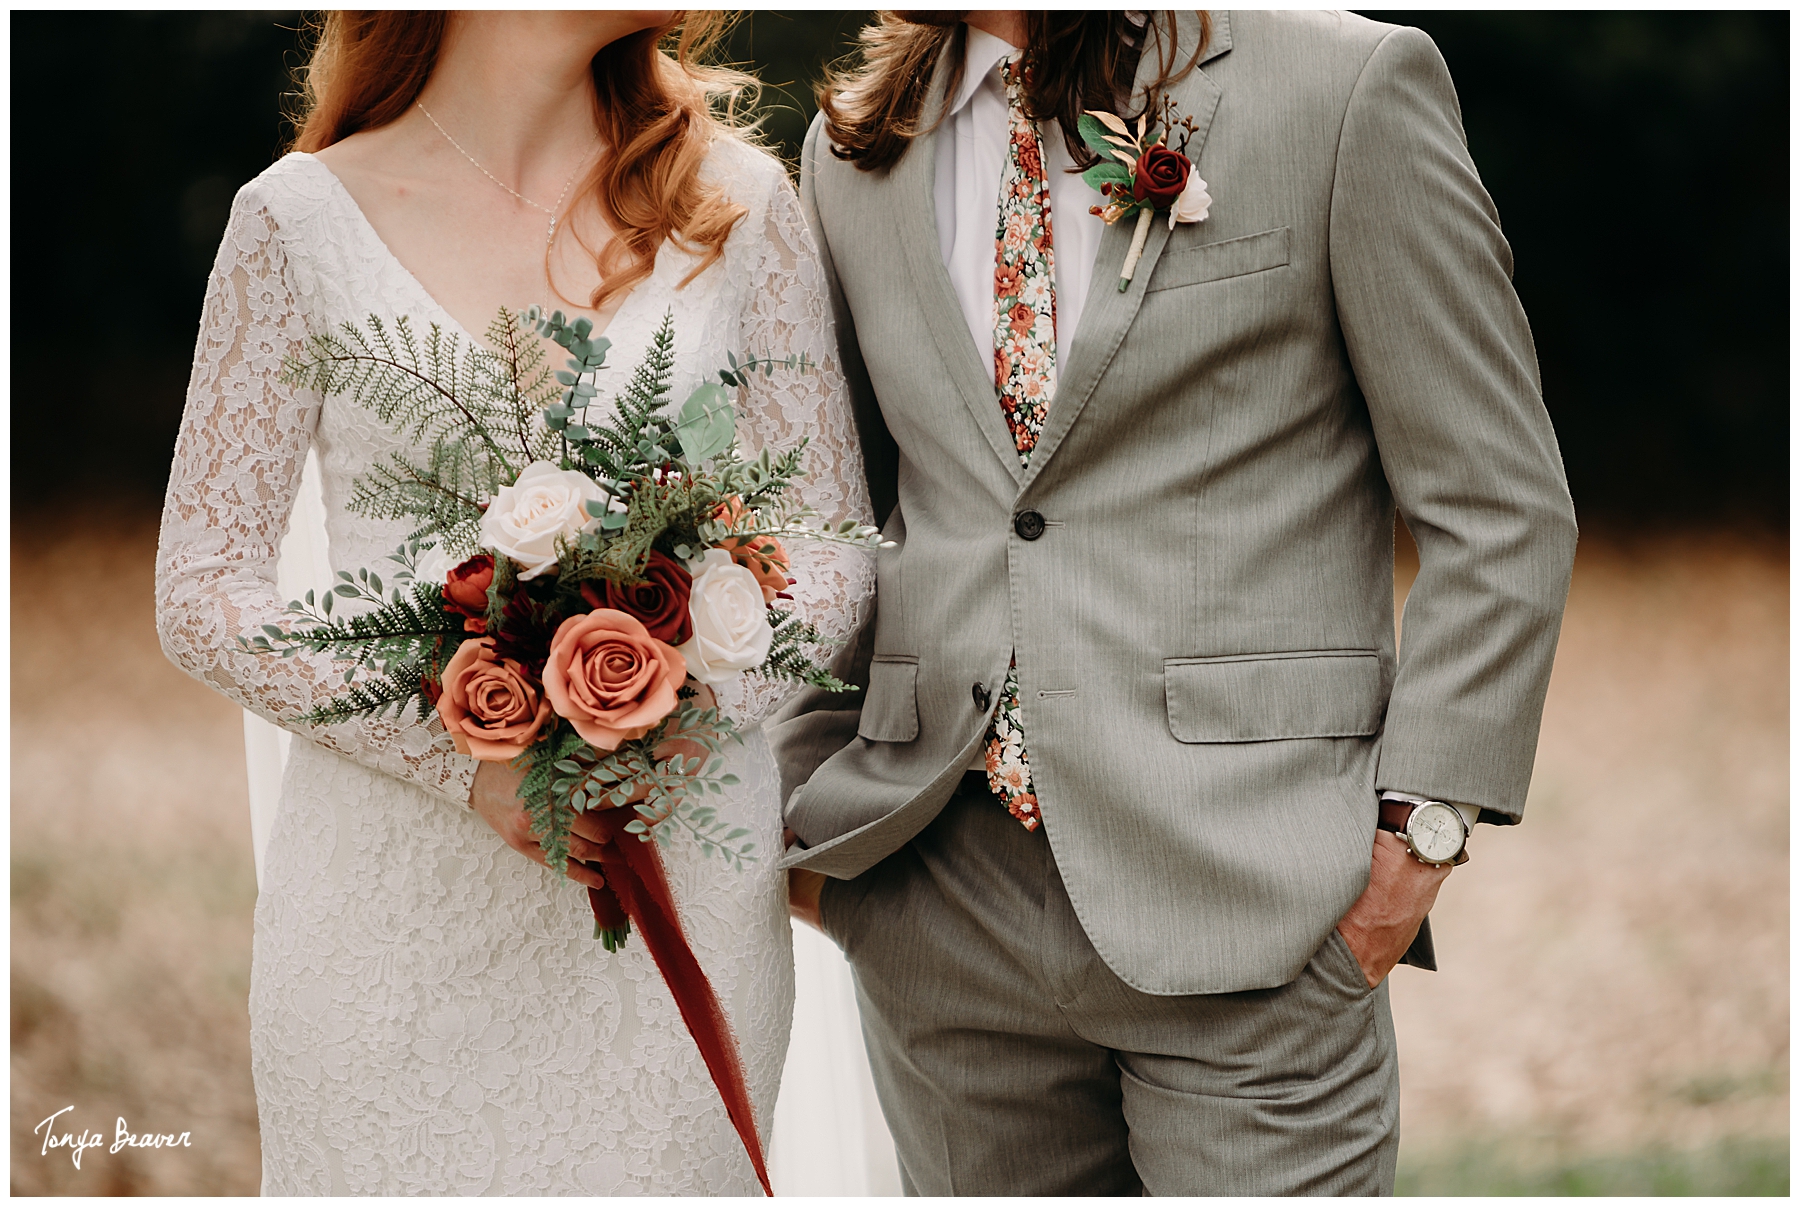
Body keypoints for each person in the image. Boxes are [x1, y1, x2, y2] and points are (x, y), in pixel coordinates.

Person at [774, 9, 1578, 1195]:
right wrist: (817, 810)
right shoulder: (853, 152)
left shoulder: (1341, 86)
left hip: (1255, 911)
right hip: (938, 911)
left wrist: (1421, 834)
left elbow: (1501, 504)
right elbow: (842, 515)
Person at [155, 10, 874, 1194]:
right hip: (386, 931)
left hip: (671, 886)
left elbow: (833, 545)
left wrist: (674, 708)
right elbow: (203, 589)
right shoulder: (295, 221)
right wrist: (466, 759)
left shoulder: (737, 203)